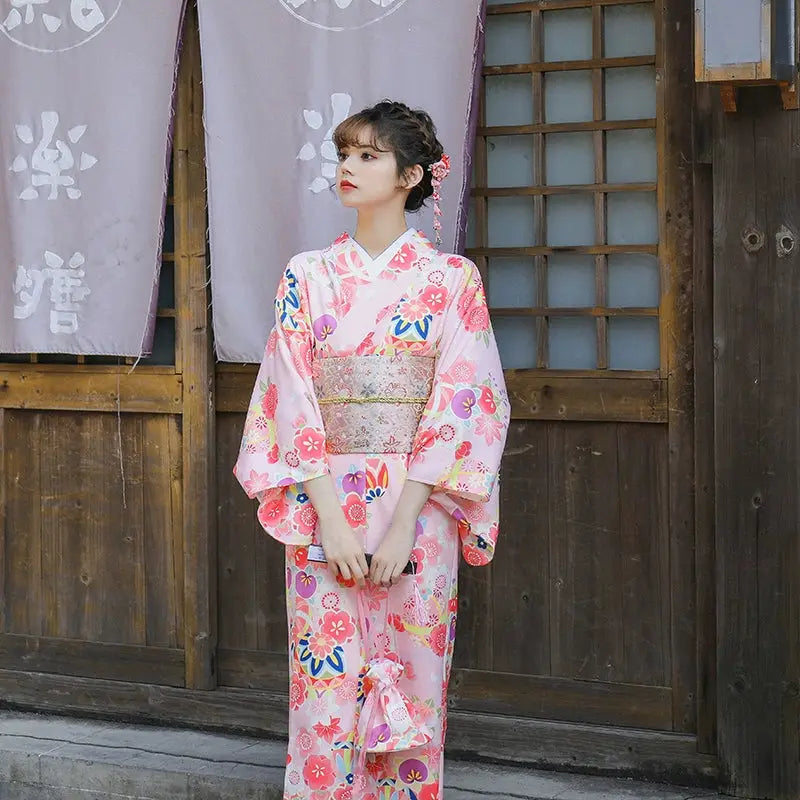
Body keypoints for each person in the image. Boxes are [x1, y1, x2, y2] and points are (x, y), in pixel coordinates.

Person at [234, 99, 510, 800]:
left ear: (411, 174)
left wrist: (406, 520)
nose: (348, 168)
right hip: (323, 500)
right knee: (323, 691)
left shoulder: (452, 282)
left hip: (418, 506)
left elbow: (464, 397)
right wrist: (328, 516)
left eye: (367, 155)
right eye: (344, 155)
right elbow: (290, 393)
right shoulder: (307, 275)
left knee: (414, 686)